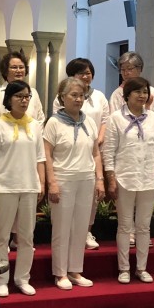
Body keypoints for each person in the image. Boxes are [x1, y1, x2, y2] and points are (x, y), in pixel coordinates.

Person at [0, 80, 46, 297]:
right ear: (9, 99)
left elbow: (40, 158)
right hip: (5, 187)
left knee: (27, 237)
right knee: (1, 235)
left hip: (29, 187)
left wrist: (41, 183)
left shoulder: (35, 125)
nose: (24, 100)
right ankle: (1, 279)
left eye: (27, 96)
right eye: (19, 96)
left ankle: (22, 278)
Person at [102, 77, 154, 284]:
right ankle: (124, 268)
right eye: (137, 91)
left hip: (148, 177)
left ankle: (141, 267)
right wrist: (111, 178)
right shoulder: (115, 118)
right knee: (124, 226)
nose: (142, 95)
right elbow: (109, 151)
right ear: (127, 95)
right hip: (125, 177)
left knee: (144, 226)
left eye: (145, 92)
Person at [44, 78, 105, 290]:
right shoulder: (54, 122)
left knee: (80, 227)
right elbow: (47, 155)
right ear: (62, 97)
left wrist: (99, 179)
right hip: (63, 179)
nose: (78, 99)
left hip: (86, 179)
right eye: (74, 95)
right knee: (62, 228)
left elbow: (96, 153)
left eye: (81, 95)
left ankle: (75, 270)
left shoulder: (89, 122)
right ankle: (60, 273)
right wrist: (52, 182)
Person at [51, 58, 110, 250]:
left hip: (92, 148)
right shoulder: (60, 100)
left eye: (88, 72)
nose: (86, 76)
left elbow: (105, 120)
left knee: (90, 198)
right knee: (67, 204)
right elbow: (59, 118)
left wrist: (99, 138)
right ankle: (68, 236)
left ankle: (86, 231)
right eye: (81, 73)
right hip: (68, 153)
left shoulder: (99, 96)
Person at [0, 51, 45, 124]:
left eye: (21, 67)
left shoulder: (33, 92)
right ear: (6, 70)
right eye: (14, 67)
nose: (18, 70)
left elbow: (40, 119)